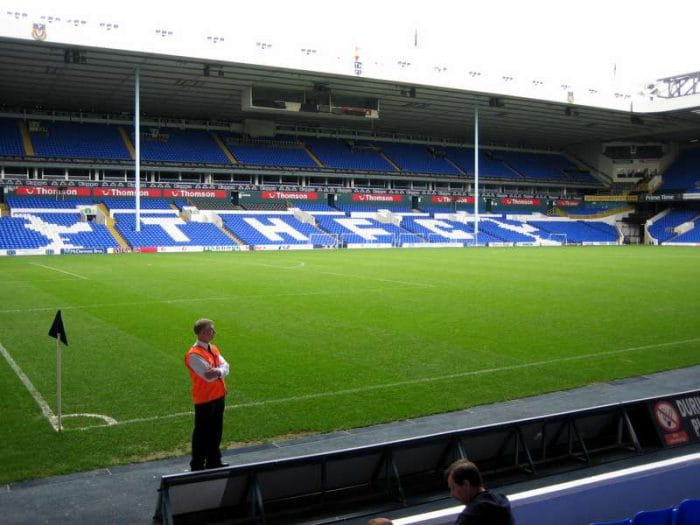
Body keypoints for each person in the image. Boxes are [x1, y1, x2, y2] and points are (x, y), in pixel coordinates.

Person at [185, 318, 230, 471]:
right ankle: (197, 464)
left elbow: (226, 366)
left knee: (216, 431)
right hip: (205, 400)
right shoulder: (193, 355)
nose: (214, 333)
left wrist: (218, 371)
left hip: (218, 396)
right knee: (202, 434)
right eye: (211, 330)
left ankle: (213, 460)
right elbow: (207, 376)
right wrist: (220, 371)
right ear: (202, 333)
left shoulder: (213, 348)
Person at [445, 459, 515, 525]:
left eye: (453, 488)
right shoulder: (502, 500)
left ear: (466, 485)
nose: (452, 494)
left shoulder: (469, 517)